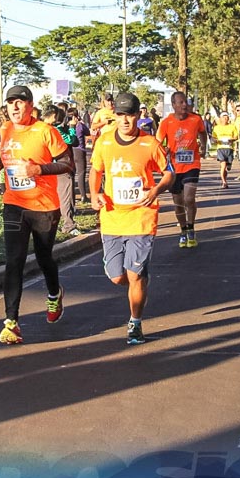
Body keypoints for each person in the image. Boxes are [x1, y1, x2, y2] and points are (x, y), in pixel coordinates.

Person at [0, 85, 74, 344]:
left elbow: (67, 163)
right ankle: (11, 322)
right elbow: (7, 157)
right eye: (10, 102)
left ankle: (54, 293)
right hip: (14, 204)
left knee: (44, 257)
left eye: (19, 102)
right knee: (14, 260)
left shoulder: (46, 131)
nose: (14, 107)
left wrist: (39, 170)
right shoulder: (6, 130)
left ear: (30, 105)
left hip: (44, 206)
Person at [90, 92, 174, 345]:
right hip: (113, 217)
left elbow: (169, 174)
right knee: (117, 276)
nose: (125, 120)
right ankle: (136, 275)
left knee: (134, 275)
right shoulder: (104, 142)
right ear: (114, 116)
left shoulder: (150, 144)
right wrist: (95, 194)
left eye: (130, 115)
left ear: (138, 116)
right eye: (120, 115)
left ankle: (135, 322)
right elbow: (96, 170)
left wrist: (156, 189)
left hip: (141, 217)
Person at [157, 91, 208, 248]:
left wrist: (203, 147)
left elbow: (203, 133)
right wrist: (163, 151)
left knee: (188, 198)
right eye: (180, 102)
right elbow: (158, 142)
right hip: (174, 167)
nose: (184, 105)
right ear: (173, 105)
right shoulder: (166, 122)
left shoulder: (195, 119)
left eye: (185, 102)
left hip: (192, 164)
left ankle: (191, 228)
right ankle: (183, 230)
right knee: (178, 203)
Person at [42, 105, 79, 235]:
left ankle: (50, 223)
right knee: (65, 195)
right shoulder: (55, 129)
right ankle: (68, 225)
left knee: (53, 196)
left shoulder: (39, 128)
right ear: (53, 116)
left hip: (45, 167)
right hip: (59, 166)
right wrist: (72, 128)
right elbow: (71, 140)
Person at [211, 111, 237, 189]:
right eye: (224, 117)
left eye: (227, 117)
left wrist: (231, 140)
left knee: (227, 167)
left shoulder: (232, 126)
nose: (225, 118)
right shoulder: (216, 128)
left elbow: (236, 137)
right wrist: (216, 140)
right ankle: (224, 182)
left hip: (229, 148)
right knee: (223, 165)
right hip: (220, 148)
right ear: (220, 118)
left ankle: (228, 169)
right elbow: (213, 137)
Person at [69, 110, 90, 203]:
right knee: (81, 173)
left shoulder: (66, 126)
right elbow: (88, 132)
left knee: (71, 174)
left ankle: (71, 196)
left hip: (70, 151)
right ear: (76, 116)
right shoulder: (80, 125)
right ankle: (83, 195)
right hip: (80, 151)